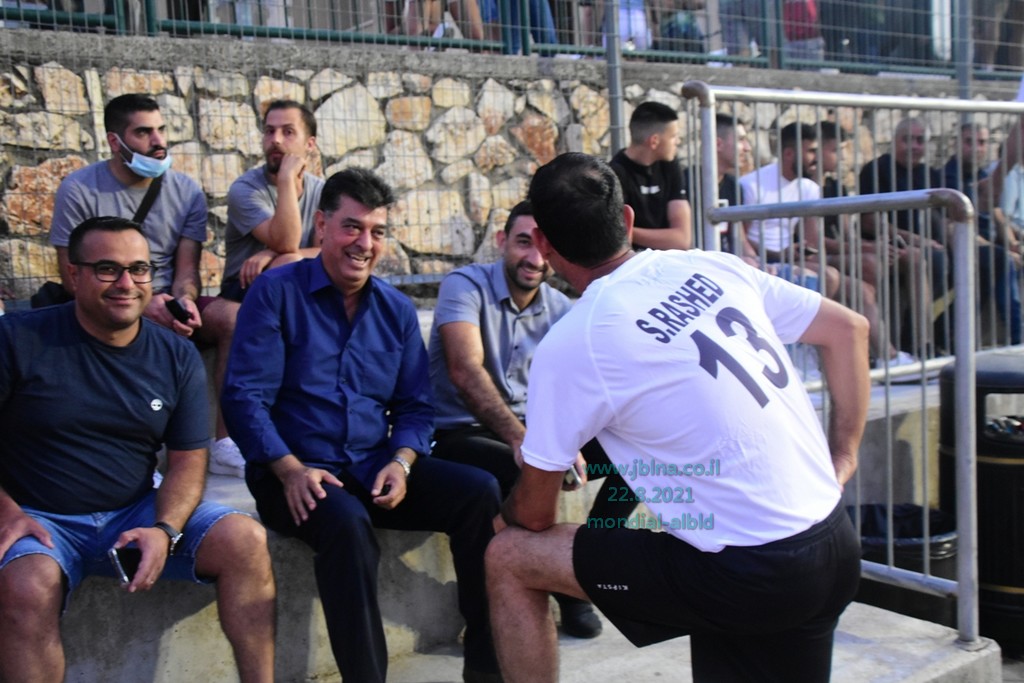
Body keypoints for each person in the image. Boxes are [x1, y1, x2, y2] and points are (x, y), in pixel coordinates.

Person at [485, 152, 868, 683]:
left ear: (545, 245)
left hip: (747, 571)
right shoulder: (709, 264)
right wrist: (843, 455)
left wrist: (506, 515)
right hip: (834, 541)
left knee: (509, 555)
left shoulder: (577, 339)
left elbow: (533, 517)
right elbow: (849, 329)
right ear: (626, 220)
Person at [221, 168, 502, 683]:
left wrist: (402, 461)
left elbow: (415, 408)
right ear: (322, 226)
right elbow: (244, 398)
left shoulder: (395, 309)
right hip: (292, 474)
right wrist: (288, 469)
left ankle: (487, 668)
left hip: (372, 465)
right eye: (352, 227)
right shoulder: (275, 293)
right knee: (347, 525)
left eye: (377, 231)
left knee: (478, 492)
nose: (365, 244)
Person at [0, 217, 276, 683]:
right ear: (74, 275)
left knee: (245, 541)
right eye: (108, 269)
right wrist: (6, 512)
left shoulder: (175, 355)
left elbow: (189, 460)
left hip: (133, 508)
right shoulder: (17, 339)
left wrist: (164, 530)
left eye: (139, 269)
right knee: (27, 585)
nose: (126, 284)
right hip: (40, 516)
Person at [429, 200, 634, 640]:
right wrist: (526, 440)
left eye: (544, 247)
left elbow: (582, 384)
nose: (535, 258)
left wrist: (568, 438)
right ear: (502, 241)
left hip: (530, 434)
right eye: (523, 243)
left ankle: (592, 551)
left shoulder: (560, 306)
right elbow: (464, 371)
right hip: (461, 435)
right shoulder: (464, 286)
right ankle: (567, 595)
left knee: (635, 455)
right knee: (525, 467)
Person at [47, 93, 242, 475]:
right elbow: (72, 278)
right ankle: (136, 459)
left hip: (166, 295)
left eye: (161, 130)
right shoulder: (79, 189)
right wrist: (142, 303)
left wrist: (183, 302)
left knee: (236, 319)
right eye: (143, 132)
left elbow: (187, 269)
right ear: (114, 141)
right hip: (110, 296)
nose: (158, 142)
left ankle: (224, 443)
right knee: (124, 319)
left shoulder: (186, 191)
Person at [858, 116, 952, 355]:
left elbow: (945, 219)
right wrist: (918, 240)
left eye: (920, 140)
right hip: (886, 245)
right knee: (933, 260)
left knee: (977, 260)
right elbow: (870, 221)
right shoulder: (876, 170)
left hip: (926, 245)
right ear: (895, 141)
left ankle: (948, 341)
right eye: (907, 139)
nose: (914, 146)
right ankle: (918, 343)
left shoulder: (931, 175)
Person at [221, 99, 323, 304]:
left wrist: (271, 253)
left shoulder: (321, 190)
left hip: (296, 282)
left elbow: (326, 252)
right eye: (269, 131)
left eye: (288, 132)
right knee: (290, 262)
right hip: (242, 288)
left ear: (310, 144)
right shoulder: (245, 189)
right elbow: (286, 243)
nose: (275, 140)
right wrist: (286, 178)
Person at [941, 122, 1021, 345]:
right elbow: (952, 227)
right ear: (956, 144)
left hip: (989, 245)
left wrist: (1013, 243)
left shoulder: (983, 174)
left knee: (1006, 258)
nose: (977, 148)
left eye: (982, 142)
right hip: (965, 247)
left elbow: (996, 212)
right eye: (969, 142)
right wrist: (1003, 250)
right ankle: (1018, 337)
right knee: (1002, 260)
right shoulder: (947, 178)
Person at [609, 101, 693, 250]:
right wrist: (619, 232)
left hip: (668, 259)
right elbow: (613, 238)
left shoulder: (670, 166)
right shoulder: (615, 174)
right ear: (654, 141)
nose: (678, 142)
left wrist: (627, 231)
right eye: (673, 136)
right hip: (633, 261)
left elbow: (682, 239)